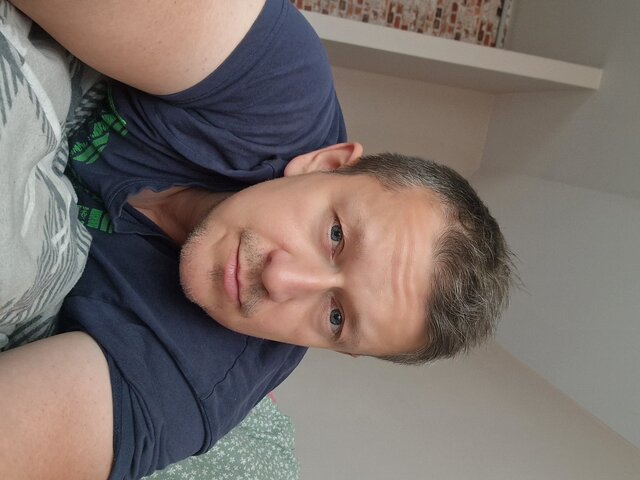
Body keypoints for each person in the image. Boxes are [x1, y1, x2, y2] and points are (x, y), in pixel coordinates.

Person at [0, 1, 514, 479]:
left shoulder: (195, 384)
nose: (281, 279)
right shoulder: (277, 86)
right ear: (326, 164)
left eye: (336, 317)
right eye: (335, 235)